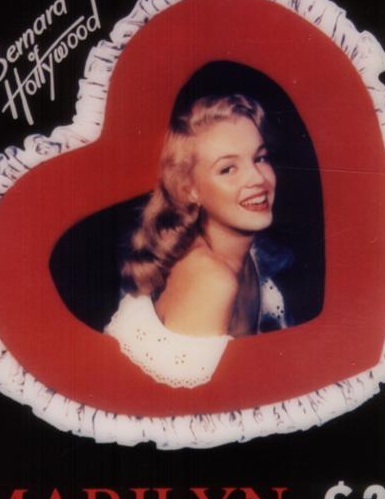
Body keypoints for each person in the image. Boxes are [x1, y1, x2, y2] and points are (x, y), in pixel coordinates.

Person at [104, 94, 288, 387]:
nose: (257, 179)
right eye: (228, 169)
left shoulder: (247, 254)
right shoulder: (210, 282)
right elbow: (186, 411)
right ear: (190, 189)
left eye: (260, 158)